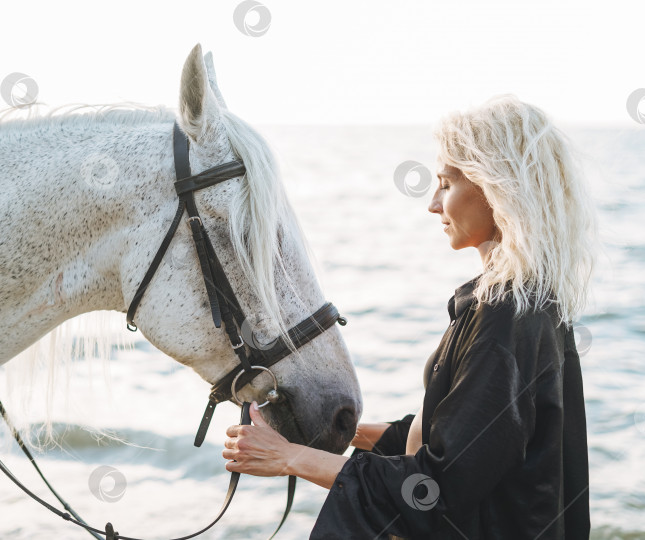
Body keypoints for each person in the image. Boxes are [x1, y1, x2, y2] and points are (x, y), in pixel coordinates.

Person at [222, 94, 599, 539]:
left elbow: (436, 488)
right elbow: (459, 441)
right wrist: (328, 428)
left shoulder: (507, 314)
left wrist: (289, 458)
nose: (433, 204)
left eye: (446, 182)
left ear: (499, 187)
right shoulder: (529, 301)